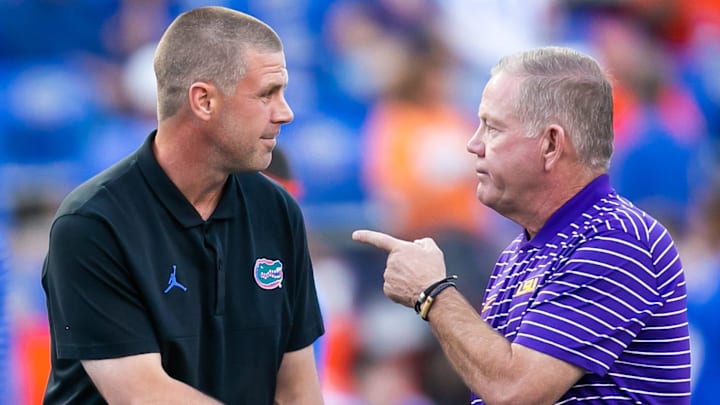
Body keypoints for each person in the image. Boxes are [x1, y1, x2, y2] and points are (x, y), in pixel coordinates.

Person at [353, 46, 691, 404]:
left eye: (492, 128)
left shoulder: (615, 239)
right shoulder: (521, 251)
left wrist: (432, 293)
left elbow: (516, 392)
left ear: (550, 144)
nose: (473, 144)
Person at [41, 6, 325, 404]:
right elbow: (141, 396)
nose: (286, 112)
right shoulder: (92, 222)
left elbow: (297, 393)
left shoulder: (277, 211)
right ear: (204, 101)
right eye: (267, 94)